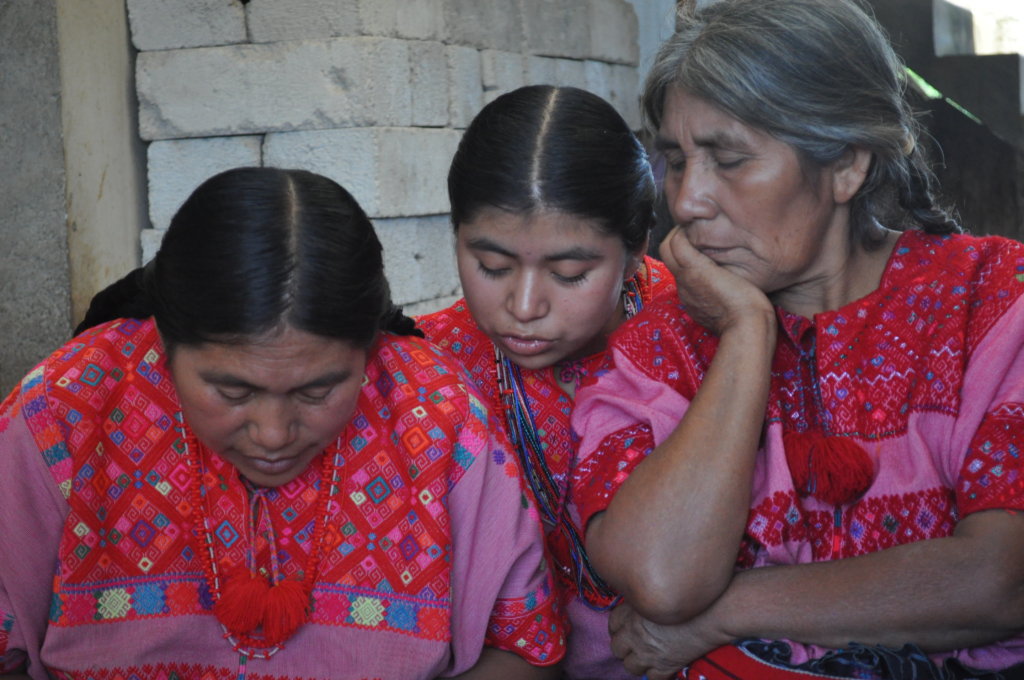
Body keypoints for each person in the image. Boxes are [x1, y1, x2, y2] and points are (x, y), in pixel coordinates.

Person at [569, 0, 1024, 678]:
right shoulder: (661, 345)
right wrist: (748, 335)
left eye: (728, 160)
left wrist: (728, 610)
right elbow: (662, 580)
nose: (688, 200)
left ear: (845, 166)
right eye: (675, 160)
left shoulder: (994, 301)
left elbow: (1000, 579)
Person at [0, 167, 565, 680]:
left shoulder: (439, 413)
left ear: (369, 351)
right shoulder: (68, 406)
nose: (273, 433)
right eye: (232, 390)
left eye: (318, 389)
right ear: (165, 344)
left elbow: (524, 650)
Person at [416, 85, 677, 678]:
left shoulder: (695, 337)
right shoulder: (429, 371)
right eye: (492, 267)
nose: (524, 305)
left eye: (569, 273)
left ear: (635, 249)